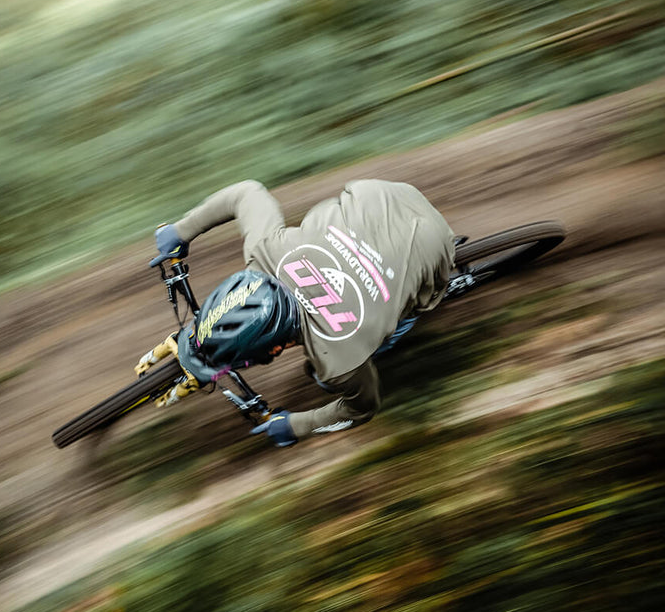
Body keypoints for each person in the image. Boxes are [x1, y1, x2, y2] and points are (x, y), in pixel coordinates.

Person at [135, 179, 457, 447]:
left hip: (433, 245)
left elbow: (362, 408)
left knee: (381, 341)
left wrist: (295, 426)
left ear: (276, 349)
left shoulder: (338, 362)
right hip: (387, 195)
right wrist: (180, 231)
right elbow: (246, 193)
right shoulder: (266, 250)